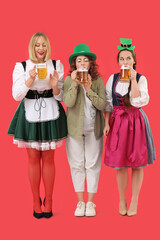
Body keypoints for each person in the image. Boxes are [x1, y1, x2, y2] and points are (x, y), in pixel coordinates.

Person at [8, 32, 67, 219]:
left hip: (51, 110)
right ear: (32, 47)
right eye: (37, 45)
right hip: (29, 110)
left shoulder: (56, 65)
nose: (40, 49)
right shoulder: (22, 66)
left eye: (43, 45)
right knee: (33, 159)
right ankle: (35, 201)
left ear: (48, 46)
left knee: (49, 159)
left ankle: (49, 201)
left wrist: (55, 85)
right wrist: (30, 80)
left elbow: (62, 97)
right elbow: (17, 95)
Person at [104, 38, 156, 216]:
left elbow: (138, 101)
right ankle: (122, 199)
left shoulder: (141, 79)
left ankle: (134, 200)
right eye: (122, 59)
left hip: (136, 122)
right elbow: (108, 105)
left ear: (134, 60)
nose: (125, 62)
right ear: (118, 61)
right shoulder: (112, 79)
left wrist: (133, 80)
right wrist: (106, 124)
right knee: (120, 165)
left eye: (128, 58)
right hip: (118, 123)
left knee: (137, 163)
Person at [64, 44, 106, 217]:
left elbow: (102, 105)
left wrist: (88, 89)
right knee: (76, 165)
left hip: (94, 129)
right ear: (75, 64)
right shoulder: (68, 80)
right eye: (78, 60)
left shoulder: (97, 81)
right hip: (73, 130)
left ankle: (90, 203)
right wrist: (74, 85)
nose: (82, 63)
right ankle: (80, 202)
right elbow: (68, 102)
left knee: (92, 165)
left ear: (90, 64)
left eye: (85, 60)